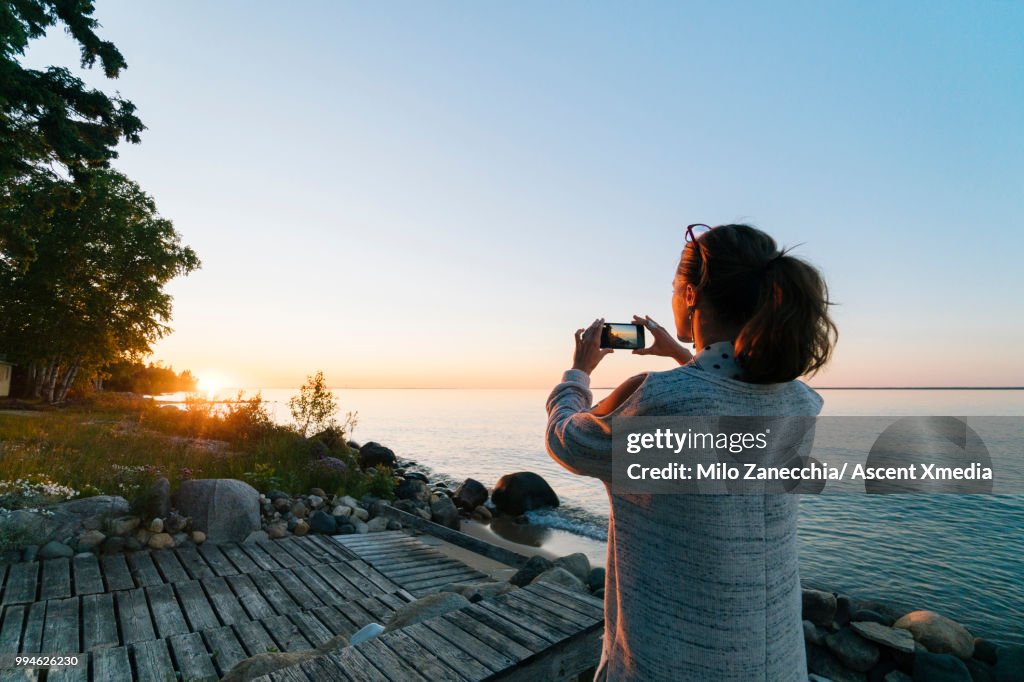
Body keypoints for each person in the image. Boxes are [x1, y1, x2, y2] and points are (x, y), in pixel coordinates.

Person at [545, 223, 837, 681]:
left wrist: (578, 372)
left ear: (691, 294)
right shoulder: (800, 402)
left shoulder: (656, 399)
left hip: (673, 660)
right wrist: (683, 354)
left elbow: (568, 439)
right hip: (777, 660)